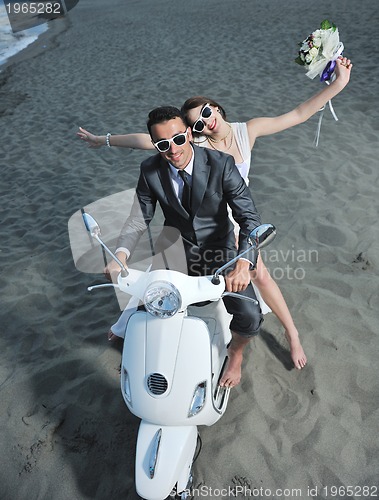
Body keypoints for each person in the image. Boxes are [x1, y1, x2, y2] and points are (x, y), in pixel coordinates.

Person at [77, 56, 353, 369]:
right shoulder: (185, 145)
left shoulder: (246, 132)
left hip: (233, 217)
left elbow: (299, 113)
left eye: (206, 113)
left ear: (215, 108)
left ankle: (289, 334)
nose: (206, 122)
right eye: (197, 123)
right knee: (155, 279)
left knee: (257, 274)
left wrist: (339, 83)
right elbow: (147, 145)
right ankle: (129, 325)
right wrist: (103, 140)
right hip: (191, 221)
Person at [105, 105, 263, 388]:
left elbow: (249, 217)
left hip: (221, 251)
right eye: (163, 144)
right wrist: (120, 255)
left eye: (178, 139)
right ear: (155, 144)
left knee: (251, 315)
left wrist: (243, 263)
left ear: (189, 133)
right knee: (148, 311)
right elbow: (138, 219)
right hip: (175, 249)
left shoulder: (221, 163)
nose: (174, 150)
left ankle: (236, 353)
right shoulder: (150, 169)